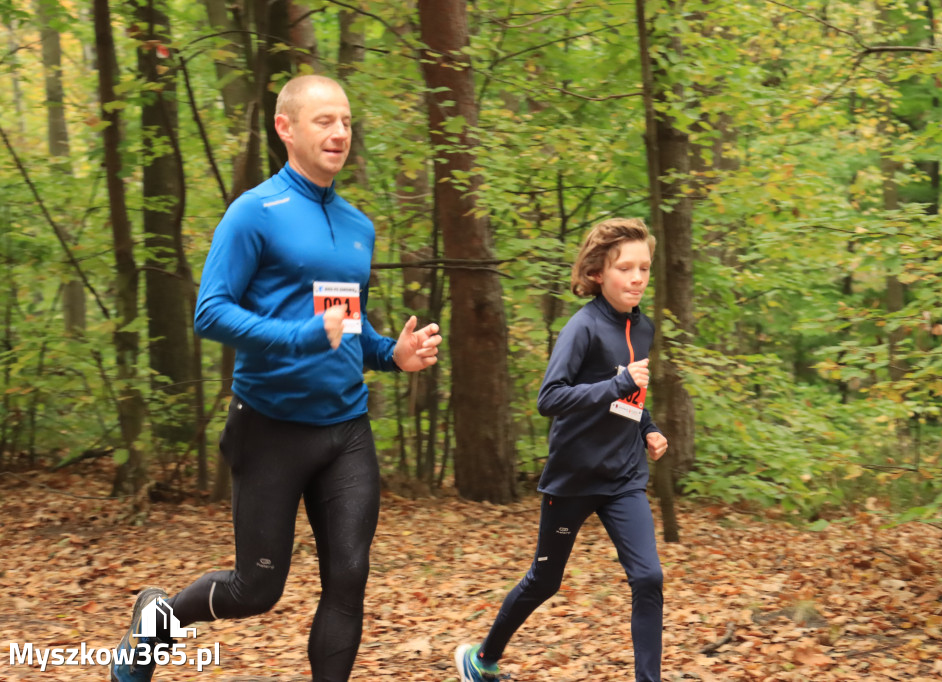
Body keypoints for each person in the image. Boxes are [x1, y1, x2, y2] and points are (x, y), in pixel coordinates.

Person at [110, 74, 442, 682]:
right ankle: (157, 620)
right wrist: (298, 337)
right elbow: (210, 311)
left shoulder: (358, 226)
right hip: (270, 430)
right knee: (256, 588)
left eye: (346, 120)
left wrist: (393, 354)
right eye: (324, 121)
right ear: (284, 128)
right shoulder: (254, 213)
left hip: (345, 430)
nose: (340, 132)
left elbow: (346, 328)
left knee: (349, 576)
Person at [454, 218, 669, 682]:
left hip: (624, 479)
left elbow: (630, 397)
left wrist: (648, 428)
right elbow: (549, 399)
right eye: (625, 268)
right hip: (573, 478)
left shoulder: (644, 327)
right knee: (545, 580)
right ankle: (482, 659)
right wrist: (617, 383)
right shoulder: (583, 328)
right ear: (597, 274)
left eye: (644, 268)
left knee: (649, 578)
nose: (637, 278)